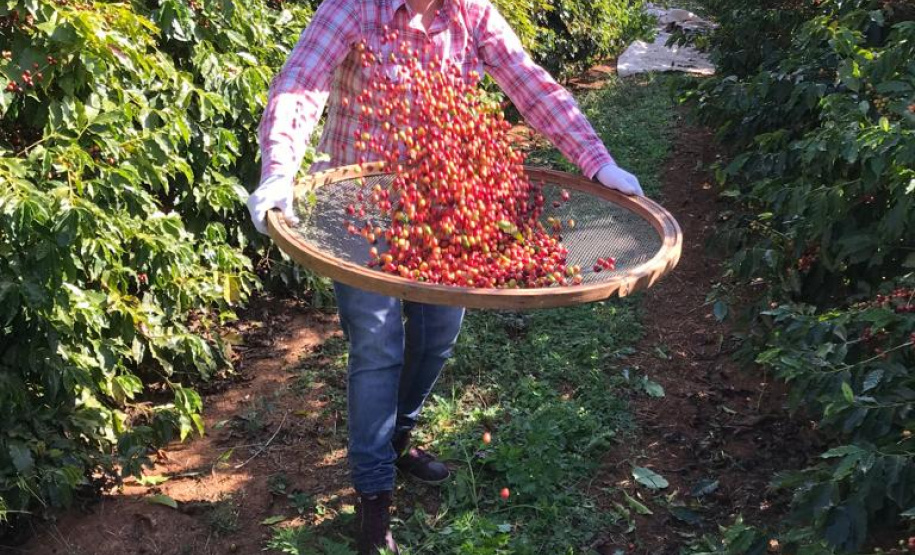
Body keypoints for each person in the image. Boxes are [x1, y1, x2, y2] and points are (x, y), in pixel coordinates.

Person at [247, 0, 644, 552]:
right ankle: (373, 495)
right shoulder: (355, 8)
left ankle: (396, 440)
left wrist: (596, 161)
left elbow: (531, 83)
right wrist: (280, 169)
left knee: (437, 338)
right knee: (379, 345)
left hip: (443, 207)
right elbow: (301, 84)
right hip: (359, 210)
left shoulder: (470, 13)